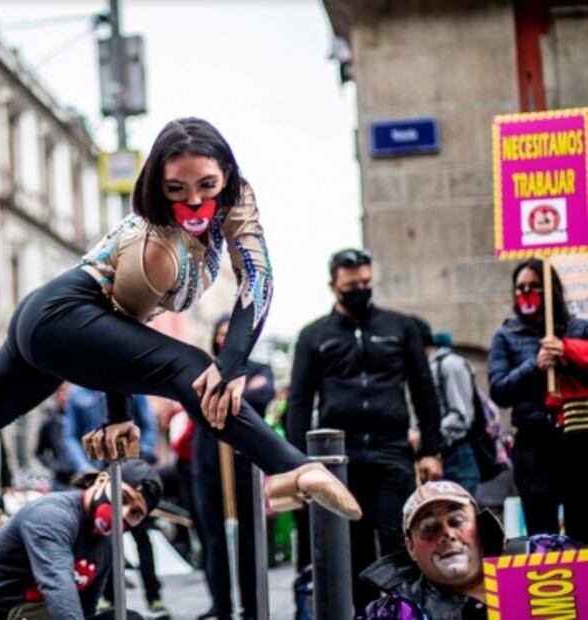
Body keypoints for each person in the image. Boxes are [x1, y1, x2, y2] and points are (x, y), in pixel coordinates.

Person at [0, 118, 361, 523]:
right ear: (159, 186)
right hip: (61, 317)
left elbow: (258, 277)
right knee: (193, 371)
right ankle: (296, 468)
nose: (197, 201)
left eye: (207, 184)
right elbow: (122, 322)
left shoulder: (236, 199)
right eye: (177, 190)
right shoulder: (155, 244)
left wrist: (233, 360)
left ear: (225, 175)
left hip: (54, 324)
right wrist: (131, 408)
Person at [285, 248, 444, 611]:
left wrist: (432, 450)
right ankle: (363, 614)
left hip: (392, 451)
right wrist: (296, 462)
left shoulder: (400, 327)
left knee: (396, 539)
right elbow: (299, 402)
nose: (360, 290)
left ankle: (401, 612)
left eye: (366, 283)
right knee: (350, 546)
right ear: (333, 286)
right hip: (340, 460)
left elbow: (423, 390)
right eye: (351, 285)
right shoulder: (313, 336)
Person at [0, 459, 162, 620]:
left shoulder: (106, 544)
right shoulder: (52, 516)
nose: (123, 513)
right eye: (122, 497)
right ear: (101, 481)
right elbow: (58, 587)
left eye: (136, 513)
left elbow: (85, 609)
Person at [358, 480, 581, 619]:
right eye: (430, 528)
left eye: (457, 520)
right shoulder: (395, 613)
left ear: (480, 527)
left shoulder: (543, 556)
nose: (447, 534)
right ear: (411, 548)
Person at [488, 258, 588, 542]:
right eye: (520, 288)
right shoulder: (506, 335)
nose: (526, 293)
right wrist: (535, 365)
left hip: (577, 443)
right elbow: (500, 390)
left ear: (550, 290)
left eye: (534, 286)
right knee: (541, 535)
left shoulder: (578, 329)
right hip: (533, 449)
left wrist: (569, 354)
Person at [192, 313, 275, 619]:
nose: (225, 339)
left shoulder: (259, 369)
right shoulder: (203, 369)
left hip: (245, 466)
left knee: (249, 541)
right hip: (209, 467)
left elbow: (261, 395)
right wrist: (234, 393)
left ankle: (251, 607)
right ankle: (222, 606)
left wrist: (226, 394)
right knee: (214, 541)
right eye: (221, 333)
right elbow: (196, 401)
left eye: (232, 333)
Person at [62, 386, 168, 618]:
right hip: (99, 472)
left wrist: (138, 458)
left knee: (142, 537)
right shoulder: (76, 393)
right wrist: (84, 466)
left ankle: (154, 596)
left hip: (131, 475)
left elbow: (149, 425)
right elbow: (69, 434)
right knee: (101, 537)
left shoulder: (130, 384)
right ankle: (108, 598)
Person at [416, 318, 481, 496]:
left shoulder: (450, 364)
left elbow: (462, 416)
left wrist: (425, 437)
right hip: (439, 455)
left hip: (458, 457)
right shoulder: (425, 369)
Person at [35, 382, 75, 491]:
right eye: (61, 391)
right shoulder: (49, 420)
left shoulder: (80, 419)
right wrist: (54, 465)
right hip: (61, 479)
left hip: (82, 475)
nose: (65, 395)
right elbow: (39, 451)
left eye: (68, 391)